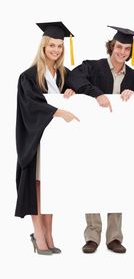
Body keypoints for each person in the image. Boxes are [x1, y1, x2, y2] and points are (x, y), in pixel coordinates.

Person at [66, 25, 134, 253]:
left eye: (126, 48)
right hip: (91, 139)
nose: (122, 51)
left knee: (117, 182)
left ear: (131, 52)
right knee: (91, 181)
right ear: (112, 46)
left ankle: (114, 237)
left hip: (121, 142)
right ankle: (92, 235)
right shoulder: (92, 67)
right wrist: (96, 93)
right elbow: (74, 78)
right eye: (119, 46)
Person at [15, 21, 79, 255]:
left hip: (58, 142)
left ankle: (50, 233)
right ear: (43, 47)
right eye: (52, 45)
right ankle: (38, 234)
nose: (56, 50)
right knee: (38, 186)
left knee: (54, 186)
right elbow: (31, 105)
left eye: (60, 46)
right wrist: (58, 111)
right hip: (37, 141)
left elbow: (80, 90)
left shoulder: (64, 75)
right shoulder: (29, 76)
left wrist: (72, 91)